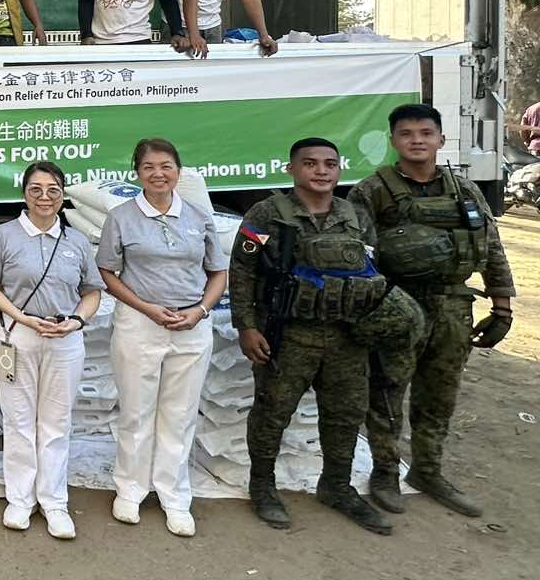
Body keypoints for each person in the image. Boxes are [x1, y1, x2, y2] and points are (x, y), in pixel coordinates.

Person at [349, 103, 516, 518]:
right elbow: (357, 256)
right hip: (397, 307)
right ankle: (385, 473)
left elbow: (491, 248)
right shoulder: (373, 191)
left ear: (441, 139)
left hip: (452, 305)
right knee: (387, 393)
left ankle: (427, 470)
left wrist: (502, 306)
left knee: (439, 394)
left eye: (425, 133)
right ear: (393, 141)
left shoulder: (466, 191)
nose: (417, 141)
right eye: (406, 134)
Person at [230, 138, 392, 534]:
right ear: (292, 169)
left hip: (346, 337)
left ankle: (337, 486)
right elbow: (242, 272)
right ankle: (263, 487)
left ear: (339, 169)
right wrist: (246, 327)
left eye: (329, 164)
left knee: (344, 414)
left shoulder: (355, 216)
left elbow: (375, 271)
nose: (321, 171)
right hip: (289, 334)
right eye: (310, 163)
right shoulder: (267, 214)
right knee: (272, 413)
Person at [97, 138, 227, 537]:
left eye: (166, 165)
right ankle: (131, 490)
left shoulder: (198, 216)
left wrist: (200, 310)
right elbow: (107, 272)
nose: (158, 173)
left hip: (191, 326)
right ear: (137, 173)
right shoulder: (121, 217)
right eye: (149, 166)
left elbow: (218, 272)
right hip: (140, 324)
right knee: (136, 411)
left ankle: (174, 496)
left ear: (178, 171)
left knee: (180, 413)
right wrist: (146, 307)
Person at [0, 160, 101, 540]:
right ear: (24, 194)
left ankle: (54, 501)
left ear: (62, 196)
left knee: (56, 423)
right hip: (16, 335)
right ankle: (20, 498)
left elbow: (92, 292)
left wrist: (76, 321)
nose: (44, 197)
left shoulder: (76, 241)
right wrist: (23, 318)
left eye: (52, 190)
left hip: (64, 340)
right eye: (36, 190)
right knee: (18, 420)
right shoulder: (5, 236)